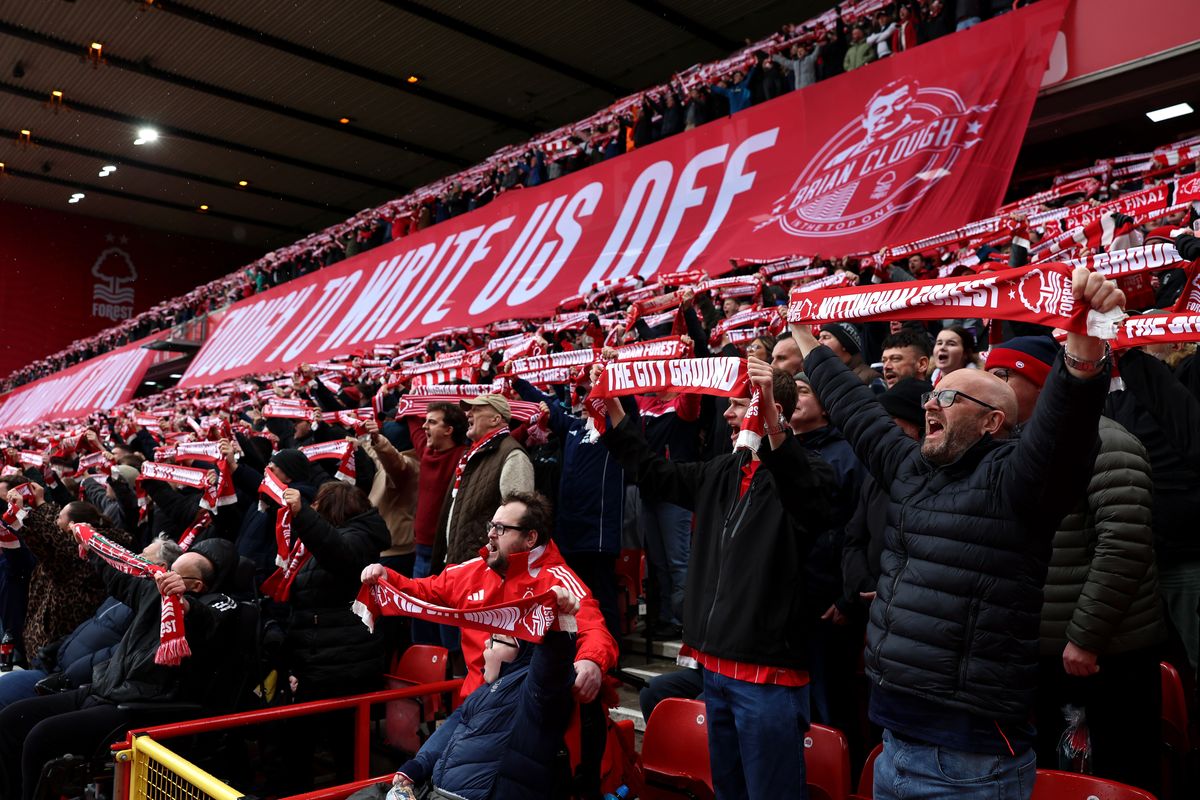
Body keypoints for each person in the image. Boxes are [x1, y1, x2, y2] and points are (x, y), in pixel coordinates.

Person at [791, 266, 1125, 800]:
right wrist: (806, 333)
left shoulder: (1018, 483)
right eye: (931, 398)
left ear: (992, 422)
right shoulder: (911, 469)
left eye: (947, 399)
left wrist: (1083, 357)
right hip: (894, 742)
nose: (929, 403)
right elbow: (856, 410)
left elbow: (1063, 435)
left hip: (969, 761)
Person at [599, 357, 835, 799]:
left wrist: (770, 423)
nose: (727, 414)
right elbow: (654, 473)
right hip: (715, 672)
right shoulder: (723, 470)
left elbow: (808, 500)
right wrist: (612, 410)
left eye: (739, 404)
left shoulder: (812, 471)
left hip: (768, 678)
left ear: (769, 411)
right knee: (727, 790)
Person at [987, 337, 1165, 795]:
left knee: (1114, 777)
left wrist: (1085, 637)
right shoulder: (1014, 449)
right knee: (1056, 777)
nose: (992, 384)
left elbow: (1123, 546)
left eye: (1003, 375)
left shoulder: (1108, 442)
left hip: (1102, 656)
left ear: (1044, 381)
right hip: (1042, 652)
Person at [0, 536, 236, 800]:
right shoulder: (152, 591)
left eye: (177, 575)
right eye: (169, 570)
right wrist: (90, 547)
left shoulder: (220, 605)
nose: (166, 577)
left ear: (198, 585)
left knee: (40, 738)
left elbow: (211, 622)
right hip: (103, 688)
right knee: (10, 719)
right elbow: (119, 578)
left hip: (137, 705)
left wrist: (188, 606)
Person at [362, 492, 618, 702]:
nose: (491, 534)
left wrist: (590, 662)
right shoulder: (471, 571)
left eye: (501, 528)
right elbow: (422, 591)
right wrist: (387, 577)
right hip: (473, 706)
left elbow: (594, 629)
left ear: (530, 538)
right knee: (421, 764)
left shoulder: (557, 579)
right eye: (491, 526)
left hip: (526, 712)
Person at [388, 587, 580, 800]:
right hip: (437, 791)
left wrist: (558, 626)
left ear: (521, 653)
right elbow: (452, 726)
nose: (486, 645)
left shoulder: (531, 692)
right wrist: (419, 764)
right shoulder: (485, 691)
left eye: (496, 639)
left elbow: (552, 668)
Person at [432, 395, 533, 575]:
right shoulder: (472, 454)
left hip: (485, 570)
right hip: (461, 566)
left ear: (495, 419)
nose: (468, 414)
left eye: (477, 410)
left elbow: (518, 523)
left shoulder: (513, 455)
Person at [818, 323, 884, 389]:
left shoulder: (870, 377)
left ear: (844, 343)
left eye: (826, 337)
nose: (819, 342)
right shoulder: (823, 377)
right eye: (819, 338)